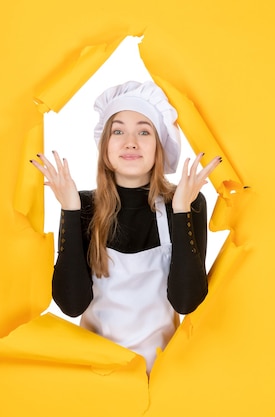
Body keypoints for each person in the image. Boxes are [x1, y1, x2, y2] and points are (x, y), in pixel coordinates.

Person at [30, 80, 221, 374]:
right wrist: (69, 210)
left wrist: (182, 210)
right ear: (105, 145)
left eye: (144, 131)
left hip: (162, 380)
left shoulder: (187, 202)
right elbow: (71, 305)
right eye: (118, 131)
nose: (130, 142)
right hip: (96, 376)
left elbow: (186, 302)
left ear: (160, 146)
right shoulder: (82, 205)